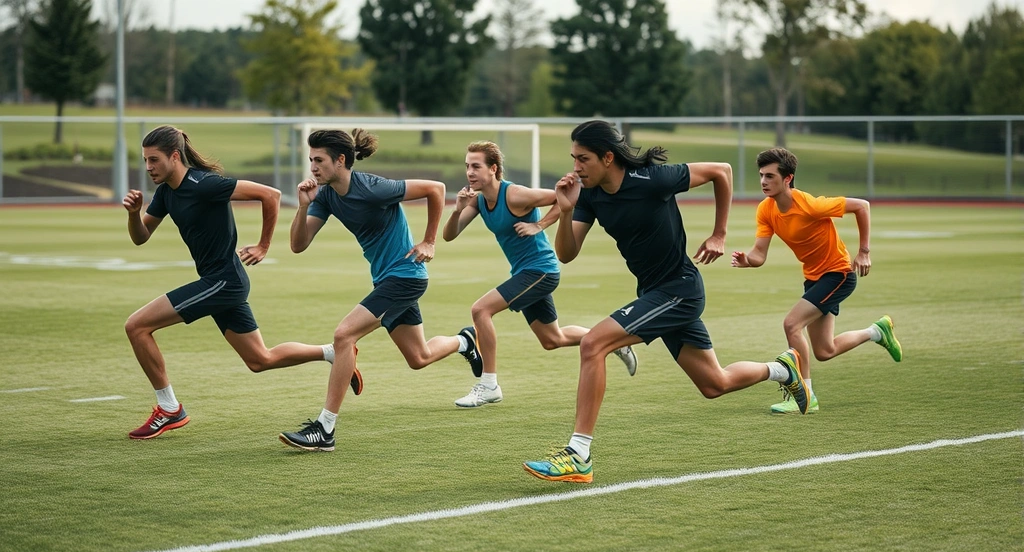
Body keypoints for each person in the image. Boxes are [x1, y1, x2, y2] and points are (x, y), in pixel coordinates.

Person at [522, 120, 810, 484]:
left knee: (593, 343)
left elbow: (722, 171)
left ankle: (579, 454)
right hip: (656, 294)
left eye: (584, 159)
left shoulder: (652, 179)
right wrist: (564, 211)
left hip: (680, 289)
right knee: (714, 384)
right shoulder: (589, 195)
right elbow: (566, 253)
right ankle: (782, 369)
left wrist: (719, 234)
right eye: (574, 158)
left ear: (608, 158)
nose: (576, 167)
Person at [123, 125, 337, 440]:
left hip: (222, 282)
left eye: (154, 160)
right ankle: (333, 353)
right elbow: (141, 238)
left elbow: (270, 195)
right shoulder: (167, 194)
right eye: (145, 161)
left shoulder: (204, 184)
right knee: (259, 360)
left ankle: (169, 409)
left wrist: (264, 245)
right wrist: (134, 214)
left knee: (136, 326)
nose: (148, 168)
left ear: (174, 155)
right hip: (222, 283)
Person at [280, 128, 481, 452]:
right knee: (419, 357)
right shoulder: (328, 195)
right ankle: (465, 341)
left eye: (319, 160)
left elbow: (435, 188)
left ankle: (325, 429)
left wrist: (429, 240)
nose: (313, 167)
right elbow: (298, 245)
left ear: (340, 160)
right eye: (310, 160)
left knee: (344, 335)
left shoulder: (373, 187)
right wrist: (303, 206)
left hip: (405, 277)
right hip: (387, 279)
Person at [442, 141, 637, 408]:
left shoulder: (516, 195)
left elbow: (565, 196)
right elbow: (449, 235)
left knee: (480, 310)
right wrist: (457, 209)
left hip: (540, 270)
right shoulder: (477, 202)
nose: (470, 172)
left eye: (476, 166)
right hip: (525, 272)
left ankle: (489, 385)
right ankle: (614, 342)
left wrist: (539, 224)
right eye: (467, 166)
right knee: (551, 339)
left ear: (493, 169)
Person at [731, 147, 902, 414]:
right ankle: (878, 331)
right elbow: (759, 255)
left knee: (791, 324)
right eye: (761, 176)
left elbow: (862, 206)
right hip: (814, 278)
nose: (764, 182)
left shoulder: (810, 205)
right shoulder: (766, 210)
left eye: (770, 176)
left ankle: (805, 396)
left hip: (838, 274)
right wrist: (747, 260)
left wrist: (864, 252)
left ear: (788, 179)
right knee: (825, 350)